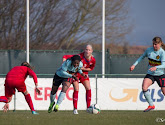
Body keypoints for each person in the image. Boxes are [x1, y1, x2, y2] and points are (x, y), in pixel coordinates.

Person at [130, 36, 165, 112]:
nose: (154, 46)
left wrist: (156, 67)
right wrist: (134, 65)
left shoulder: (162, 52)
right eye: (153, 44)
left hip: (160, 75)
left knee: (164, 91)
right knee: (144, 87)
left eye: (156, 44)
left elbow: (164, 65)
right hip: (151, 74)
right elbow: (141, 57)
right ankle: (151, 105)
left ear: (160, 44)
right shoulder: (149, 50)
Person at [62, 44, 96, 114]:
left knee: (88, 88)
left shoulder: (93, 60)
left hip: (84, 75)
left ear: (91, 51)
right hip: (76, 74)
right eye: (86, 49)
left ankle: (88, 108)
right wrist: (63, 62)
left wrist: (84, 69)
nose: (87, 51)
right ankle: (75, 109)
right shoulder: (79, 56)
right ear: (84, 50)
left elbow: (91, 68)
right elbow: (65, 56)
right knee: (76, 89)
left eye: (89, 50)